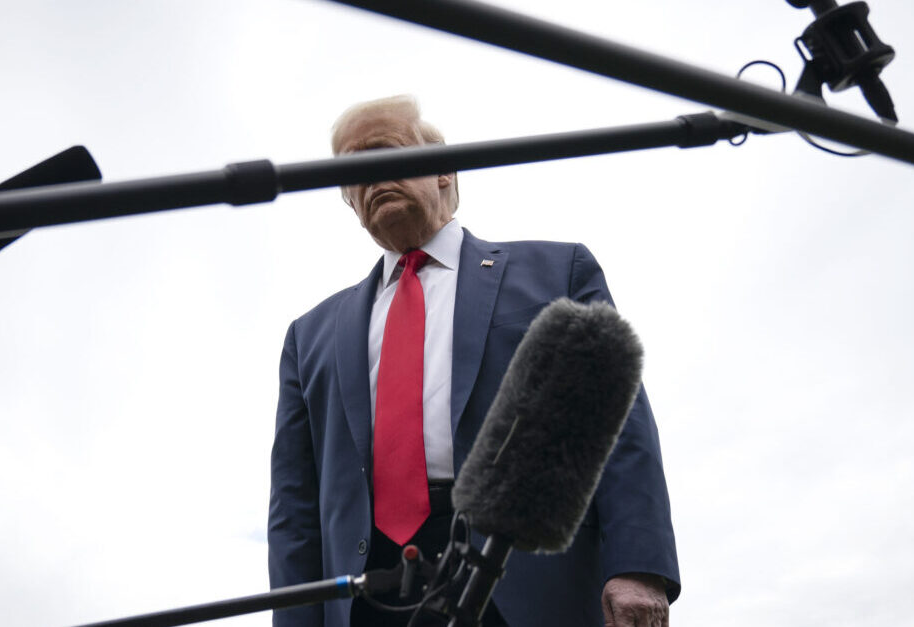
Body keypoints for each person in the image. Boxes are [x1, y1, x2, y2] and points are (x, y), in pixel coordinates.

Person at [269, 95, 680, 627]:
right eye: (351, 171)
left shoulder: (557, 273)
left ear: (443, 169)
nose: (369, 177)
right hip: (367, 595)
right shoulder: (310, 335)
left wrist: (639, 565)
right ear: (348, 201)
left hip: (522, 572)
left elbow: (621, 424)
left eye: (382, 153)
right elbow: (295, 504)